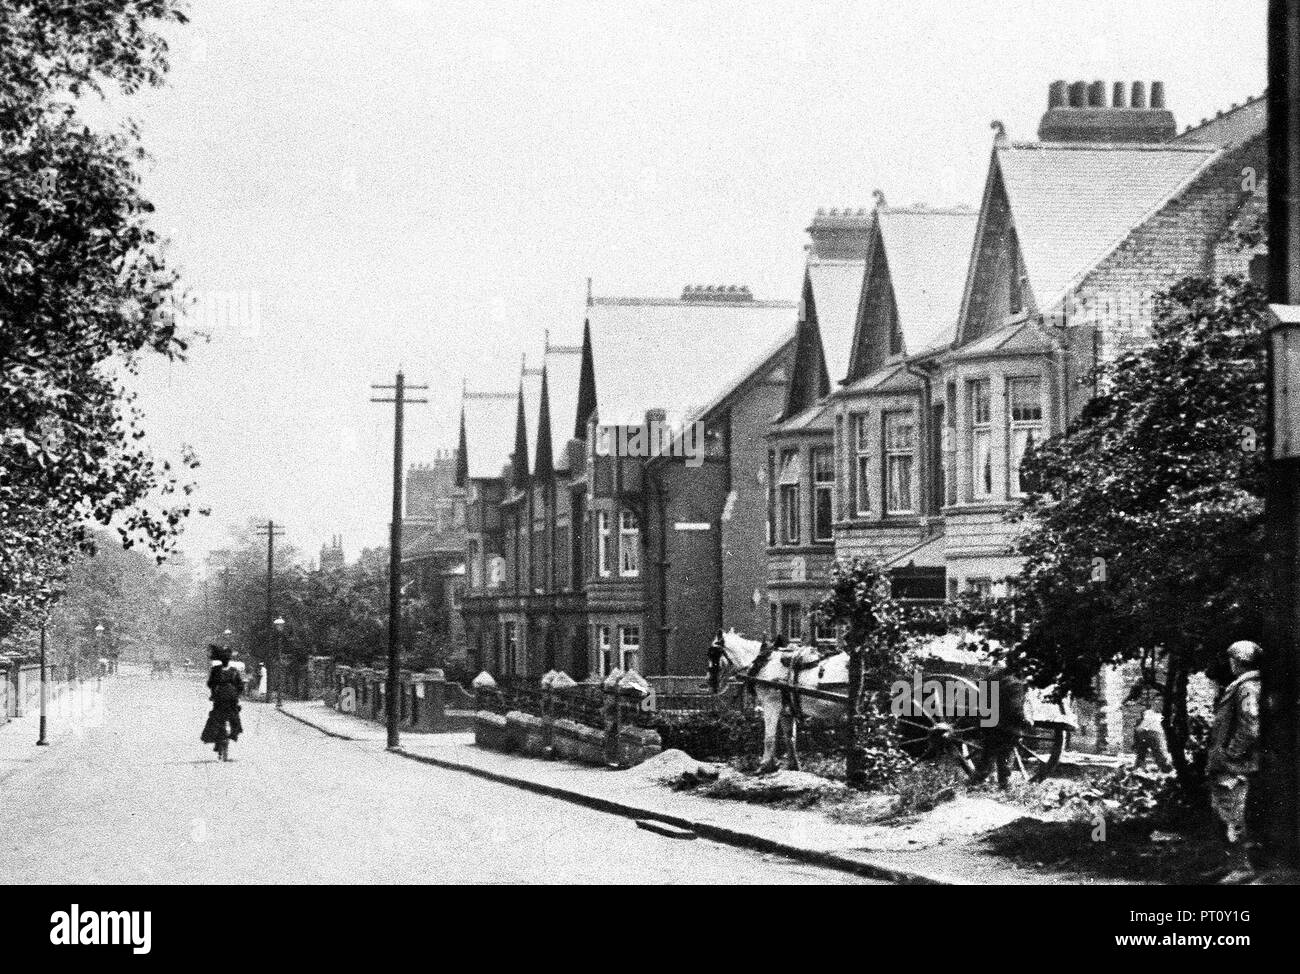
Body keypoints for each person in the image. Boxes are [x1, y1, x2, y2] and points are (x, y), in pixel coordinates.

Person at [1207, 639, 1262, 881]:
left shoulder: (1247, 687)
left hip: (1234, 765)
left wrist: (1231, 753)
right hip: (1227, 763)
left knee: (1233, 815)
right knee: (1222, 811)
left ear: (1239, 661)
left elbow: (1250, 726)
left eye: (1231, 659)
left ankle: (1241, 868)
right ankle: (1230, 864)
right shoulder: (1242, 685)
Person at [971, 665, 1032, 788]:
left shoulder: (993, 677)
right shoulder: (1015, 683)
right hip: (1008, 727)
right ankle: (1003, 783)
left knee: (988, 753)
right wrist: (1026, 720)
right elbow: (1015, 708)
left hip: (990, 723)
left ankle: (978, 780)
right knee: (1005, 755)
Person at [201, 645, 244, 761]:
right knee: (233, 717)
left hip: (223, 700)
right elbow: (240, 686)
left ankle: (222, 738)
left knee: (217, 719)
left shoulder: (216, 670)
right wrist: (236, 694)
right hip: (227, 700)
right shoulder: (233, 671)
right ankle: (232, 733)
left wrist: (214, 692)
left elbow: (210, 683)